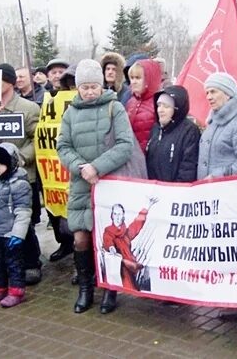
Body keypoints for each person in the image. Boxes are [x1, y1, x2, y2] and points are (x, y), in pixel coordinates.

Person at [57, 59, 134, 314]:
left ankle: (110, 289)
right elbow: (63, 147)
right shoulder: (70, 113)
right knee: (80, 239)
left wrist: (97, 167)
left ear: (101, 85)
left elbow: (125, 145)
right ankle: (86, 288)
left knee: (108, 238)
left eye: (93, 86)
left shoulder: (115, 108)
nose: (89, 92)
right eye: (85, 87)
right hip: (81, 184)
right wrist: (81, 167)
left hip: (108, 183)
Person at [197, 72, 237, 321]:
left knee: (234, 249)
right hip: (214, 197)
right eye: (207, 92)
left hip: (232, 196)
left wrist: (219, 174)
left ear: (229, 94)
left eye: (214, 91)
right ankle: (229, 296)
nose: (209, 96)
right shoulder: (214, 122)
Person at [0, 63, 43, 285]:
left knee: (24, 222)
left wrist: (19, 158)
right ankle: (7, 265)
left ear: (9, 82)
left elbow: (38, 140)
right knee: (1, 222)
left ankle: (31, 262)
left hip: (22, 177)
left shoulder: (28, 108)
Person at [0, 143, 32, 308]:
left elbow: (23, 211)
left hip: (11, 233)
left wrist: (18, 234)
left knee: (13, 263)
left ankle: (17, 291)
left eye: (2, 164)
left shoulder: (20, 184)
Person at [36, 65, 76, 264]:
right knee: (55, 210)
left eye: (61, 72)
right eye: (53, 72)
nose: (57, 75)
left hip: (72, 165)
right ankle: (64, 244)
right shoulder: (46, 99)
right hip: (51, 167)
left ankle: (80, 253)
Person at [146, 85, 200, 182]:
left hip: (176, 192)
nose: (160, 110)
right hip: (153, 192)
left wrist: (174, 192)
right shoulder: (156, 129)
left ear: (177, 109)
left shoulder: (189, 131)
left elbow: (188, 168)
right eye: (158, 105)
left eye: (166, 106)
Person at [102, 199, 158, 290]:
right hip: (115, 269)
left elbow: (137, 223)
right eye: (115, 214)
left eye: (119, 214)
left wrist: (147, 207)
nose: (117, 217)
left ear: (123, 215)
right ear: (111, 216)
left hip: (128, 271)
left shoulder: (126, 233)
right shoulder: (108, 230)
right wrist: (111, 247)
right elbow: (108, 240)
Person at [126, 59, 162, 152]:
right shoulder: (131, 102)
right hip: (133, 157)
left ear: (149, 79)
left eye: (138, 78)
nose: (133, 82)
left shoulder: (158, 103)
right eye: (132, 78)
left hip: (150, 157)